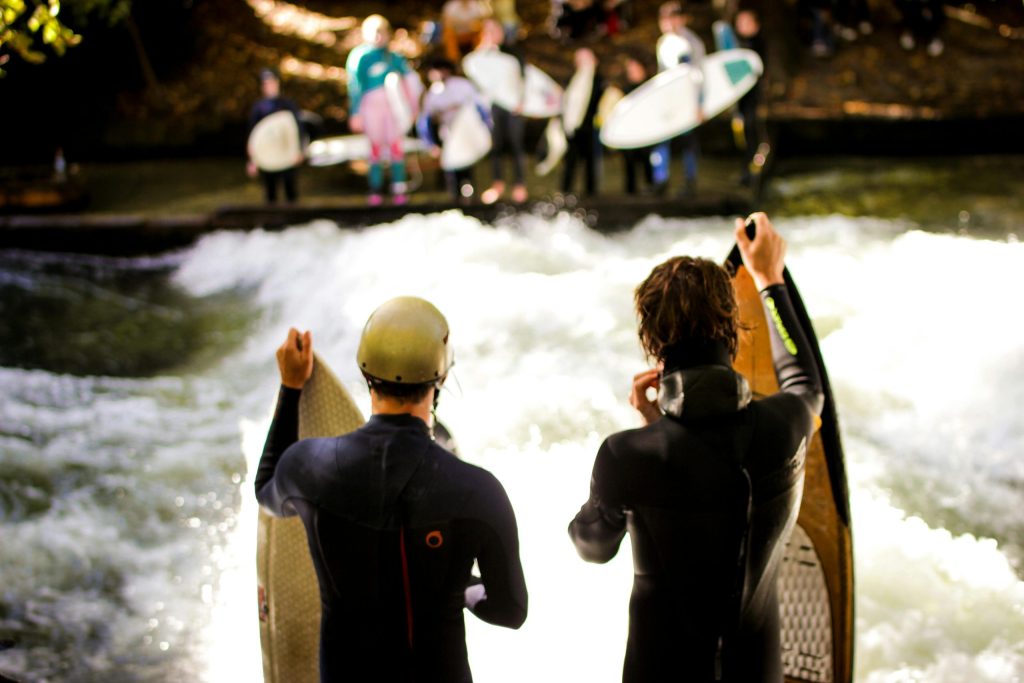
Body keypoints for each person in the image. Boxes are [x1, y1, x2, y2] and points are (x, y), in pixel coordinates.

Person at [568, 212, 824, 682]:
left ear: (652, 343)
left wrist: (649, 430)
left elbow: (592, 546)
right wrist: (769, 277)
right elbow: (807, 384)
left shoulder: (628, 456)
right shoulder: (784, 425)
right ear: (732, 327)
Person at [255, 296, 528, 682]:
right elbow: (510, 610)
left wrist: (291, 388)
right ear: (442, 377)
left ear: (365, 373)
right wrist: (462, 588)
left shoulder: (309, 467)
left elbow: (266, 490)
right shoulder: (477, 490)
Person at [346, 15, 422, 206]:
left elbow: (409, 82)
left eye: (382, 32)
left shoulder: (393, 57)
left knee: (396, 144)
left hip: (391, 107)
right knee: (375, 147)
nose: (379, 37)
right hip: (371, 107)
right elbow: (355, 87)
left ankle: (399, 187)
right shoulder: (360, 57)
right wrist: (355, 113)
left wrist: (412, 108)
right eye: (374, 33)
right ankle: (375, 188)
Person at [417, 58, 492, 204]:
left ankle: (471, 195)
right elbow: (425, 120)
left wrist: (486, 128)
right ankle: (455, 198)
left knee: (467, 164)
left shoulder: (462, 86)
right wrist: (430, 143)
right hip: (448, 134)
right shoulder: (433, 93)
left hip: (466, 132)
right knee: (452, 167)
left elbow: (479, 106)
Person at [653, 1, 705, 197]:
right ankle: (661, 181)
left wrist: (699, 104)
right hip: (668, 101)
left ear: (682, 19)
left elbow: (699, 76)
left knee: (688, 142)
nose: (670, 24)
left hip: (688, 100)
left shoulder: (692, 43)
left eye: (674, 19)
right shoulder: (663, 42)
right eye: (666, 20)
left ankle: (690, 182)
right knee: (660, 139)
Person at [475, 18, 529, 205]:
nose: (492, 34)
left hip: (514, 105)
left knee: (516, 145)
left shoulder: (513, 53)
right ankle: (497, 184)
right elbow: (474, 72)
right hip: (494, 105)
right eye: (488, 31)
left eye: (495, 30)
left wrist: (521, 101)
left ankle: (519, 185)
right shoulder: (482, 56)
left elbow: (523, 78)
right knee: (496, 145)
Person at [247, 68, 302, 204]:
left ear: (277, 83)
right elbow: (253, 135)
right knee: (270, 192)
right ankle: (272, 222)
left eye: (271, 82)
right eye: (266, 83)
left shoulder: (288, 104)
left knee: (290, 189)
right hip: (268, 157)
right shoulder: (258, 108)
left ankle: (293, 218)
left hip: (287, 153)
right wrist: (252, 160)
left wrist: (299, 150)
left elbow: (298, 128)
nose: (269, 86)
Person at [561, 47, 605, 197]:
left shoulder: (598, 80)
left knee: (591, 162)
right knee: (570, 161)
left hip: (590, 126)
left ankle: (591, 193)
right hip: (573, 127)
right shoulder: (573, 79)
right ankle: (566, 191)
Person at [734, 8, 766, 186]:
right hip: (740, 100)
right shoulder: (736, 45)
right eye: (740, 23)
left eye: (747, 22)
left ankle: (754, 171)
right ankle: (745, 170)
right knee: (742, 134)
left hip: (754, 99)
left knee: (753, 131)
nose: (742, 27)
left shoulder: (758, 45)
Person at [619, 53, 653, 195]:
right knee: (629, 161)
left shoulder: (650, 86)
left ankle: (652, 187)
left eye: (635, 68)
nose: (632, 72)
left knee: (647, 160)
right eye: (630, 69)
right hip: (629, 131)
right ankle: (630, 191)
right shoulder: (624, 89)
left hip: (646, 130)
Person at [441, 0, 491, 65]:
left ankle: (479, 57)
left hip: (471, 35)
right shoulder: (451, 6)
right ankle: (454, 62)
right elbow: (447, 24)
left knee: (482, 32)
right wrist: (466, 24)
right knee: (448, 33)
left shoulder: (476, 5)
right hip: (457, 35)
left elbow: (483, 21)